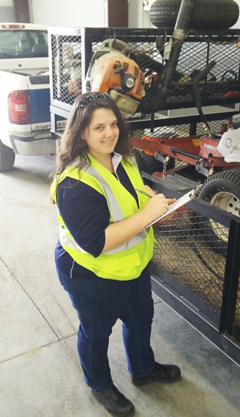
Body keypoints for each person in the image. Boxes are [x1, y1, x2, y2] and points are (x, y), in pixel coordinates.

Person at [50, 91, 181, 417]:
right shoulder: (75, 182)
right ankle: (100, 385)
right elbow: (96, 242)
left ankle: (143, 369)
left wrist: (153, 199)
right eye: (99, 128)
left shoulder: (124, 158)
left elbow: (131, 194)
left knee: (140, 319)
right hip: (89, 273)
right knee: (96, 332)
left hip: (131, 266)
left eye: (113, 124)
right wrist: (149, 213)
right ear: (82, 132)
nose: (109, 133)